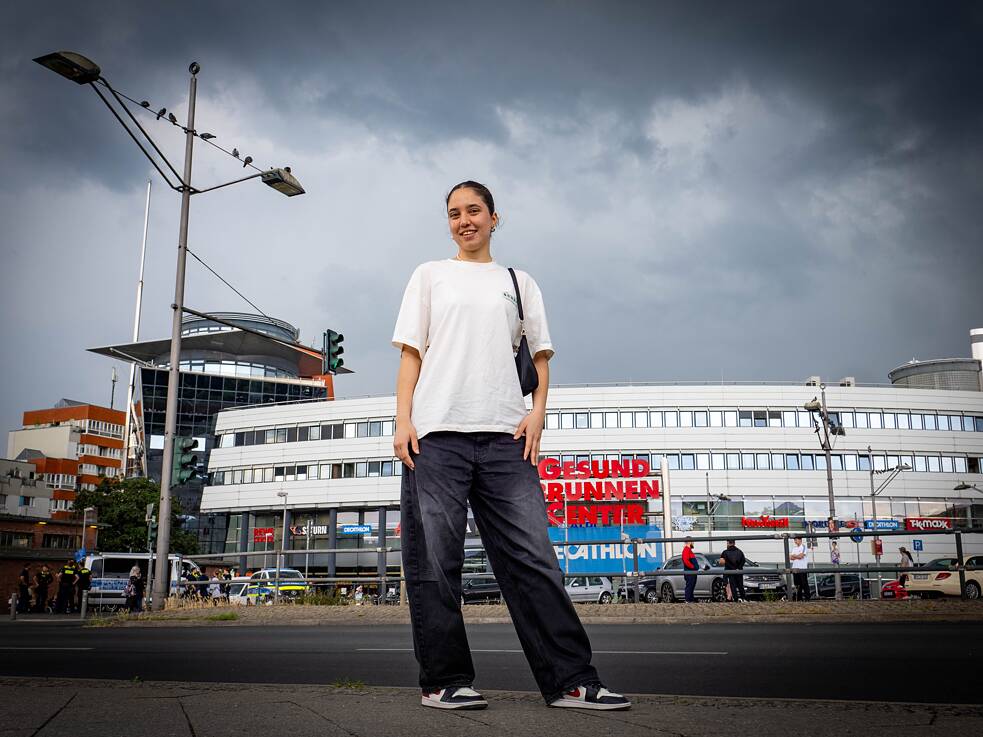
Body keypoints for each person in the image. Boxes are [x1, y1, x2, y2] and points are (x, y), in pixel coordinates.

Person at [393, 181, 629, 711]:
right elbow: (411, 353)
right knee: (435, 561)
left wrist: (537, 416)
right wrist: (403, 419)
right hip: (436, 436)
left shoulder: (517, 281)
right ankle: (444, 681)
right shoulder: (430, 275)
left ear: (494, 218)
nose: (463, 220)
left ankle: (571, 680)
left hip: (506, 439)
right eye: (454, 213)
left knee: (533, 559)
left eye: (473, 210)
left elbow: (540, 358)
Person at [790, 535, 811, 601]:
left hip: (802, 568)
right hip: (795, 568)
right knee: (797, 585)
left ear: (800, 540)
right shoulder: (794, 548)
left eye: (796, 540)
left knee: (804, 584)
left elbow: (801, 556)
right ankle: (798, 599)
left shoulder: (804, 547)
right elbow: (790, 558)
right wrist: (797, 556)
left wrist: (795, 556)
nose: (795, 541)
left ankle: (807, 598)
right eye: (794, 540)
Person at [682, 537, 699, 603]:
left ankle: (690, 599)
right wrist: (693, 567)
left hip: (691, 572)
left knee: (691, 585)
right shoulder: (686, 549)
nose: (693, 543)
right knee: (690, 585)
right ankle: (688, 600)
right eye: (692, 541)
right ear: (690, 542)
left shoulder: (688, 550)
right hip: (690, 572)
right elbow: (686, 560)